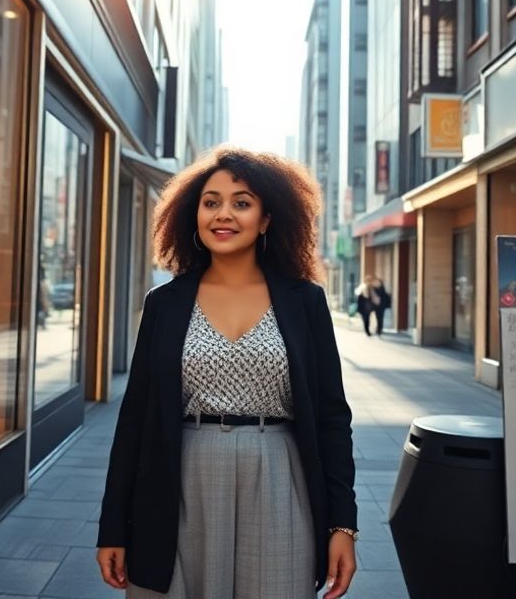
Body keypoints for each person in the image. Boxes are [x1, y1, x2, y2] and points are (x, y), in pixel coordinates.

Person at [96, 147, 359, 599]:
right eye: (211, 202)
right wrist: (113, 526)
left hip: (280, 476)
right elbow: (134, 421)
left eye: (242, 202)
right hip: (179, 477)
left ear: (267, 219)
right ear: (194, 214)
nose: (224, 214)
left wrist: (343, 525)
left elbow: (333, 419)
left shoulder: (305, 302)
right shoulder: (164, 304)